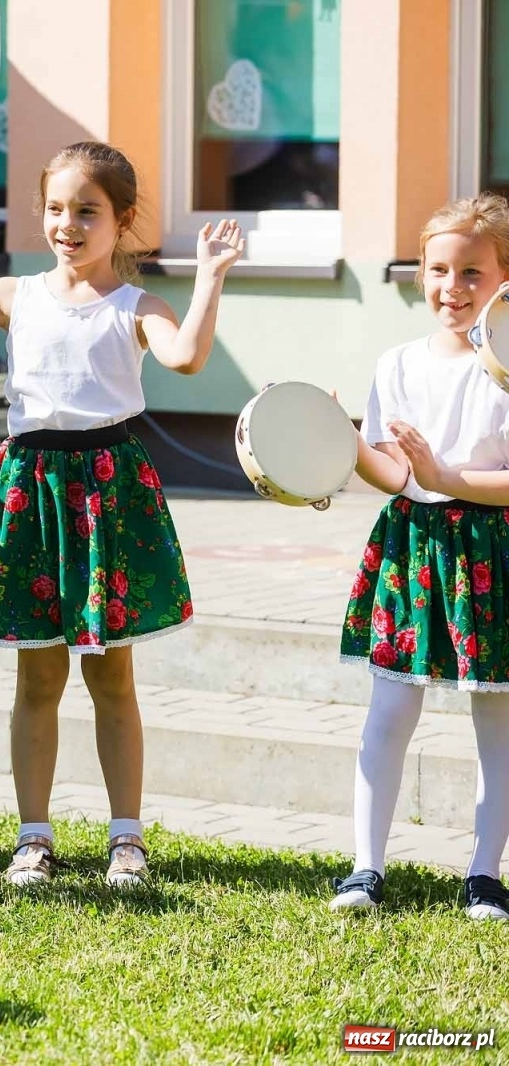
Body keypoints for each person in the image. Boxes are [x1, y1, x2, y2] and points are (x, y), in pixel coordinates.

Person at [0, 141, 244, 888]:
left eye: (87, 211)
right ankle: (32, 837)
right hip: (29, 493)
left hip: (107, 494)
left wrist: (208, 280)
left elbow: (189, 358)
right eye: (56, 209)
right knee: (36, 682)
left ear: (122, 219)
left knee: (112, 681)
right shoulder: (13, 295)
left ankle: (126, 840)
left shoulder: (139, 307)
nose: (67, 224)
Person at [331, 194, 509, 921]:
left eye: (473, 272)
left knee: (495, 718)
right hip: (413, 546)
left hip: (491, 549)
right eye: (439, 269)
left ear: (503, 278)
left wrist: (447, 479)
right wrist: (341, 447)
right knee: (388, 712)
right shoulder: (397, 362)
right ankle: (365, 868)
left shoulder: (506, 368)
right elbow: (393, 471)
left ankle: (484, 874)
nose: (452, 287)